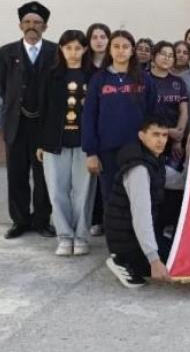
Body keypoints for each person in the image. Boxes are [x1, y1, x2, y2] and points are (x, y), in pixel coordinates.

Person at [0, 1, 57, 239]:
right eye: (27, 22)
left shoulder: (56, 52)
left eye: (37, 22)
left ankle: (42, 220)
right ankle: (19, 221)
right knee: (16, 174)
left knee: (43, 176)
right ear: (20, 25)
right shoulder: (4, 53)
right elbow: (3, 88)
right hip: (16, 124)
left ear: (45, 27)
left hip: (44, 125)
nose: (32, 26)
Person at [82, 30, 157, 214]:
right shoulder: (99, 79)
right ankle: (113, 233)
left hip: (138, 149)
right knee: (110, 197)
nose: (121, 50)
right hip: (107, 150)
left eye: (125, 47)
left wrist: (151, 146)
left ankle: (136, 232)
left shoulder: (145, 79)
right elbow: (89, 116)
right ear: (109, 50)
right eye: (116, 46)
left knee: (138, 198)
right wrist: (91, 152)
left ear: (132, 50)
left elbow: (152, 115)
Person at [37, 29, 96, 256]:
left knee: (83, 192)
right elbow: (42, 110)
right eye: (68, 48)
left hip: (85, 143)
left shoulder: (94, 76)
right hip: (55, 141)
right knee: (57, 190)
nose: (73, 53)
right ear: (61, 49)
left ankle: (81, 236)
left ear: (85, 49)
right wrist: (41, 143)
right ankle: (64, 236)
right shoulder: (50, 75)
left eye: (78, 48)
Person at [104, 116, 172, 289]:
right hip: (127, 241)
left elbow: (177, 181)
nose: (161, 140)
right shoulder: (139, 170)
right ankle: (122, 261)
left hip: (134, 234)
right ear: (141, 136)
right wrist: (154, 260)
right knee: (176, 262)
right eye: (155, 134)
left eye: (164, 135)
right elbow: (141, 217)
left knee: (181, 250)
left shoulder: (152, 159)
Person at [83, 22, 111, 237]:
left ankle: (104, 220)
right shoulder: (83, 67)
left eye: (103, 37)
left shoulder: (113, 66)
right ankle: (91, 219)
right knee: (88, 178)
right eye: (95, 37)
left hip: (108, 126)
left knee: (105, 176)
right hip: (86, 123)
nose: (99, 41)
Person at [148, 41, 188, 160]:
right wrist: (167, 131)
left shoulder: (178, 82)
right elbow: (140, 113)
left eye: (170, 56)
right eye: (163, 54)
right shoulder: (143, 80)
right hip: (149, 139)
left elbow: (184, 111)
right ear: (153, 56)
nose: (167, 58)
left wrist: (178, 139)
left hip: (172, 142)